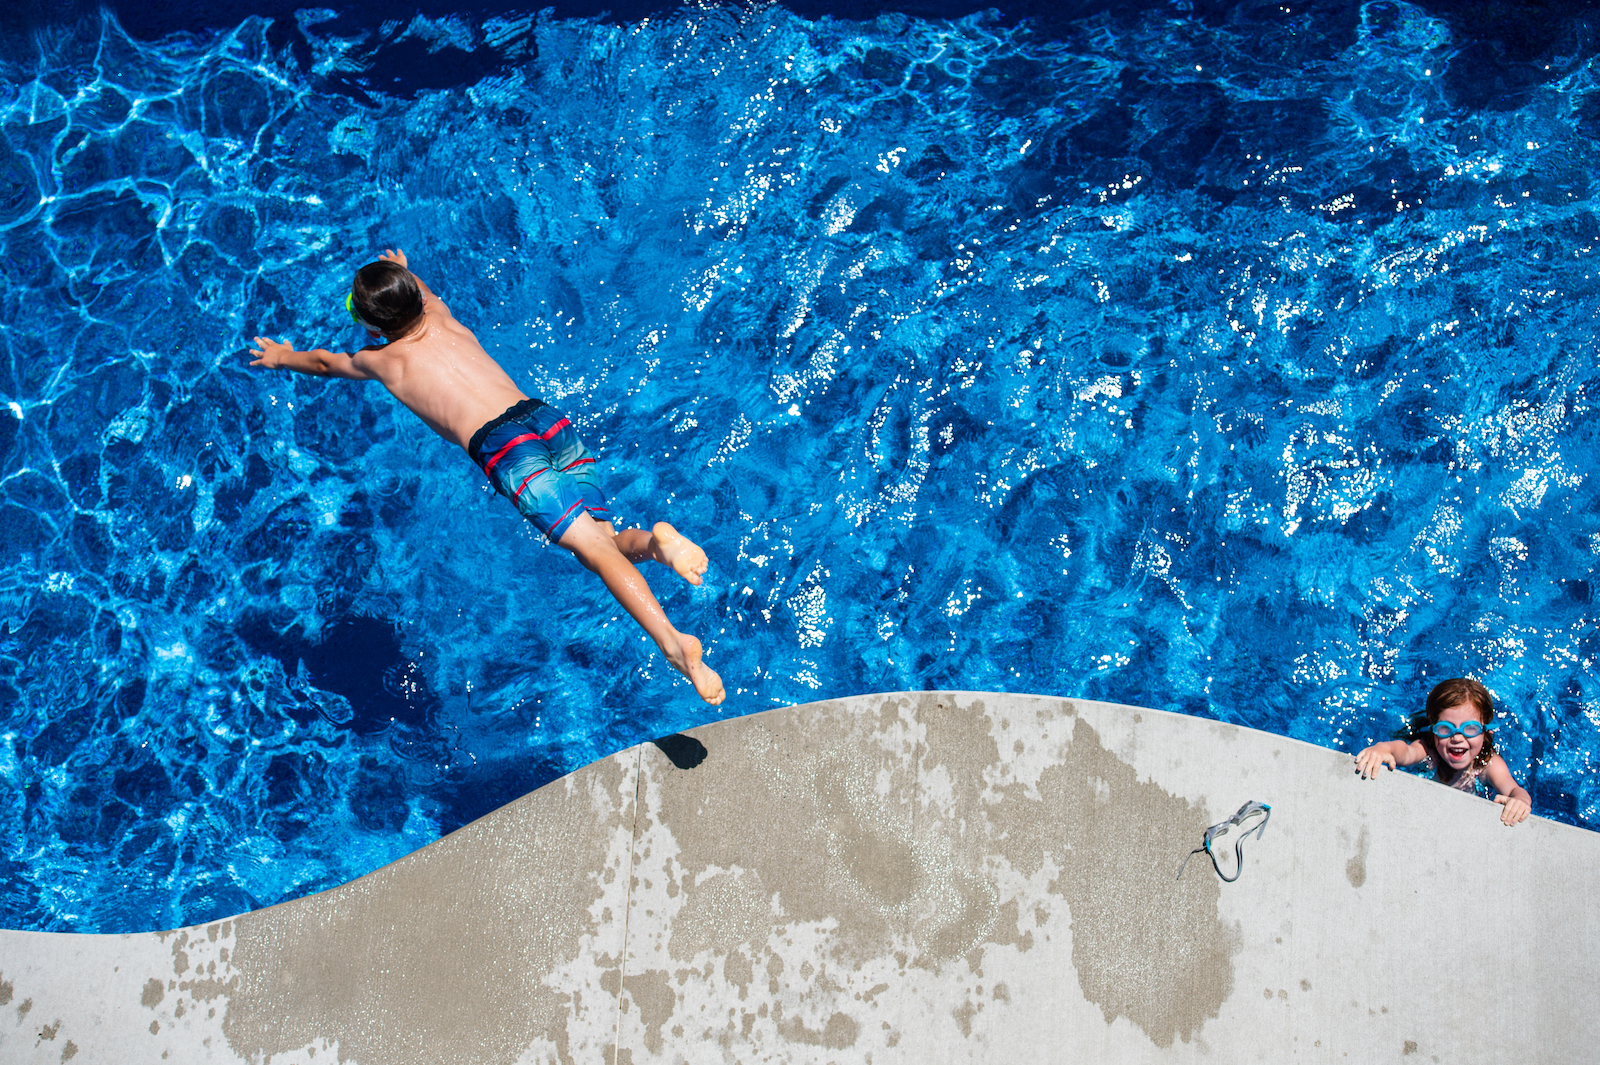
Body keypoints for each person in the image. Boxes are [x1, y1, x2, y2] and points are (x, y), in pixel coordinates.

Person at [249, 249, 725, 705]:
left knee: (594, 553)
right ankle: (657, 545)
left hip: (506, 449)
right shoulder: (440, 313)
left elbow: (323, 363)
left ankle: (673, 644)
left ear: (372, 324)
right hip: (543, 419)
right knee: (603, 540)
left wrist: (281, 357)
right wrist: (399, 269)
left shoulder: (379, 360)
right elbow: (418, 291)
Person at [1354, 677, 1530, 825]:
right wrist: (1384, 748)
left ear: (1487, 731)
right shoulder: (1430, 751)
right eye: (1446, 728)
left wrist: (1519, 802)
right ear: (1433, 729)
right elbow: (1406, 752)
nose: (1457, 738)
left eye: (1470, 728)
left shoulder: (1487, 765)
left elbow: (1515, 790)